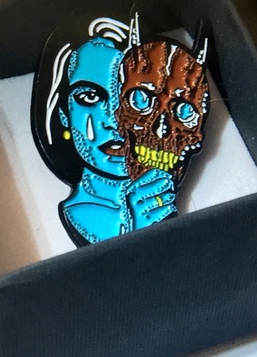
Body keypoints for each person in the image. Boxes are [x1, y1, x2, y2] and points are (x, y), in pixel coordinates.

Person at [32, 17, 176, 246]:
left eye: (135, 97)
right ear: (63, 114)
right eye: (89, 97)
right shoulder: (79, 218)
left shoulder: (165, 190)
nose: (114, 120)